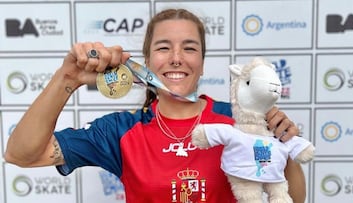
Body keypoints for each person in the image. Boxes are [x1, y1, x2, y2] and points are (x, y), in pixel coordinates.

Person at [5, 8, 306, 203]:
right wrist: (67, 78)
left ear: (201, 63)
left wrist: (284, 147)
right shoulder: (119, 131)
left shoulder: (241, 120)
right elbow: (21, 154)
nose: (176, 58)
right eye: (164, 48)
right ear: (147, 62)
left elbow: (294, 197)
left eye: (189, 48)